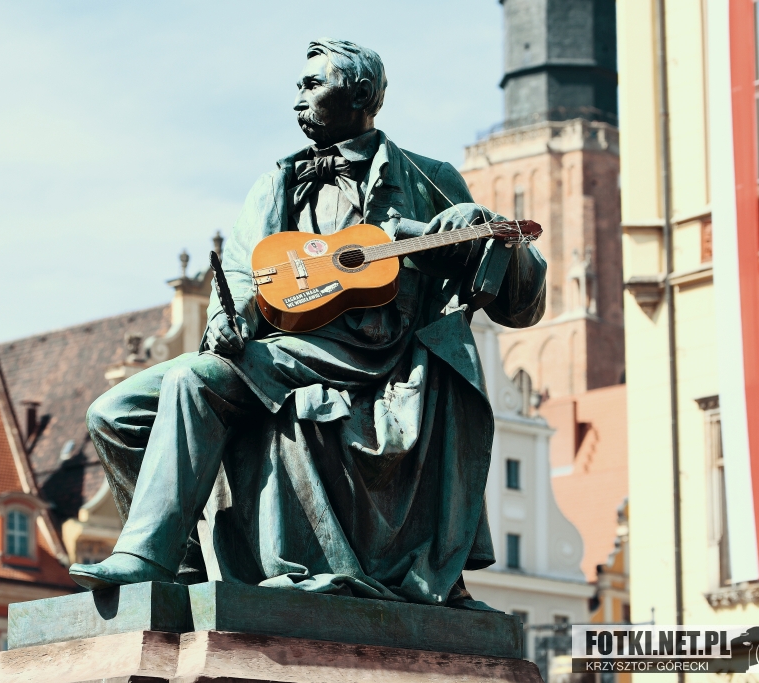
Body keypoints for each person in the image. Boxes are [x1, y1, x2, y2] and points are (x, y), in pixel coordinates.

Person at [68, 39, 546, 608]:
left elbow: (522, 303)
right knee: (113, 414)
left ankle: (145, 558)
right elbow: (242, 272)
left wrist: (483, 236)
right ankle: (182, 569)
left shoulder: (428, 176)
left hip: (375, 358)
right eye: (298, 84)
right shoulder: (276, 182)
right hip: (282, 348)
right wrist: (225, 319)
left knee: (191, 382)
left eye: (313, 84)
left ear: (361, 95)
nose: (298, 96)